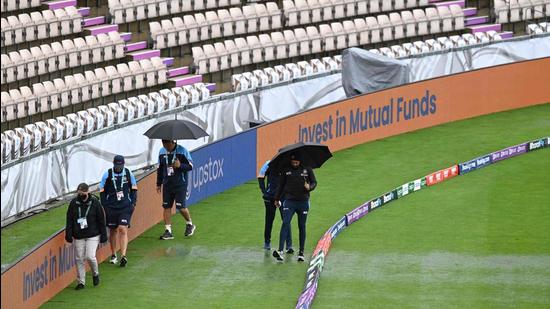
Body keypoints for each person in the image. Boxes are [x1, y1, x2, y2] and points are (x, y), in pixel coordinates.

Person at [273, 153, 317, 262]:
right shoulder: (286, 170)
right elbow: (281, 185)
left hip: (303, 202)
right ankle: (280, 251)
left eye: (297, 162)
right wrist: (276, 199)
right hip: (289, 201)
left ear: (300, 161)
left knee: (302, 226)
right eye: (293, 162)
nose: (295, 164)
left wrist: (310, 187)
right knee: (285, 223)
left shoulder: (307, 169)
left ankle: (301, 253)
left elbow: (314, 182)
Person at [65, 183, 108, 290]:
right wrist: (68, 236)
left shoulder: (95, 203)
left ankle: (95, 273)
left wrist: (104, 235)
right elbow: (69, 220)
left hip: (93, 235)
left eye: (83, 193)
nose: (81, 195)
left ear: (88, 191)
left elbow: (101, 220)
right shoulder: (74, 203)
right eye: (79, 193)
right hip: (79, 235)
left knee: (90, 256)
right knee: (79, 258)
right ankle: (81, 282)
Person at [99, 155, 138, 267]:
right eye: (117, 165)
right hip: (111, 207)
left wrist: (133, 203)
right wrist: (105, 205)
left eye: (120, 165)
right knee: (113, 231)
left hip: (125, 206)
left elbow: (134, 189)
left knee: (122, 228)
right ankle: (113, 254)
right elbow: (102, 190)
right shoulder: (107, 174)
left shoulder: (128, 173)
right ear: (113, 163)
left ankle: (123, 255)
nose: (119, 167)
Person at [157, 139, 196, 240]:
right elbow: (160, 168)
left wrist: (180, 166)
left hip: (180, 184)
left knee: (181, 207)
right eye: (163, 144)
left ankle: (189, 224)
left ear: (172, 142)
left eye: (167, 145)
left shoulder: (182, 151)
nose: (166, 147)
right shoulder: (161, 152)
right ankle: (168, 231)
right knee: (166, 207)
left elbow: (191, 166)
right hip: (167, 184)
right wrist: (158, 183)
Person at [258, 160, 292, 252]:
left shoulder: (288, 165)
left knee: (286, 220)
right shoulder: (268, 164)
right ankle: (267, 242)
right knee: (269, 220)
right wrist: (264, 191)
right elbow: (261, 176)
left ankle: (289, 245)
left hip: (283, 197)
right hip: (270, 197)